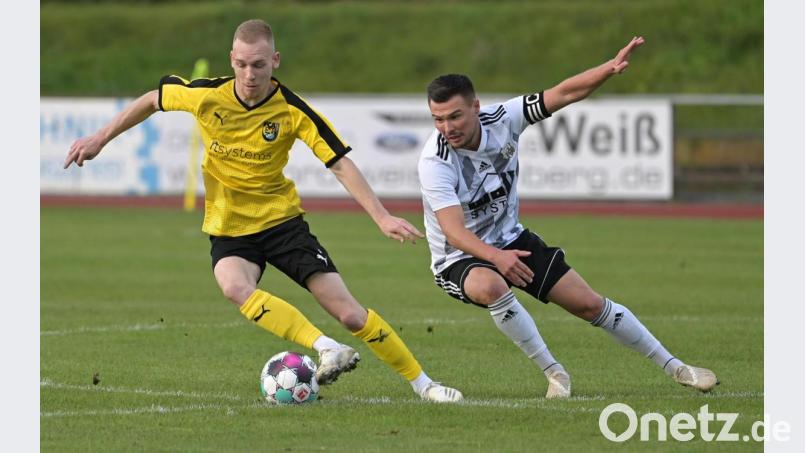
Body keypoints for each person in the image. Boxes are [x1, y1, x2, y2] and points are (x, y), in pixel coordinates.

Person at [64, 19, 462, 403]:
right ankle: (326, 348)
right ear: (231, 59)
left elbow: (339, 162)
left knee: (352, 315)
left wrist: (381, 216)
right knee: (234, 286)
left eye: (258, 64)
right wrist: (100, 138)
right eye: (241, 64)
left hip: (282, 224)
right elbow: (154, 98)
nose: (249, 74)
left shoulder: (291, 110)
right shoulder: (207, 95)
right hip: (230, 228)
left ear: (275, 61)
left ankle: (424, 385)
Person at [418, 37, 718, 398]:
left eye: (455, 116)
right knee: (491, 286)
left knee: (589, 303)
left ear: (476, 107)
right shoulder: (435, 162)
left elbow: (562, 93)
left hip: (511, 238)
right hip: (459, 257)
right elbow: (452, 231)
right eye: (438, 119)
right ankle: (555, 374)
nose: (447, 128)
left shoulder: (504, 119)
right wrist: (497, 258)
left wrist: (607, 69)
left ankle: (677, 368)